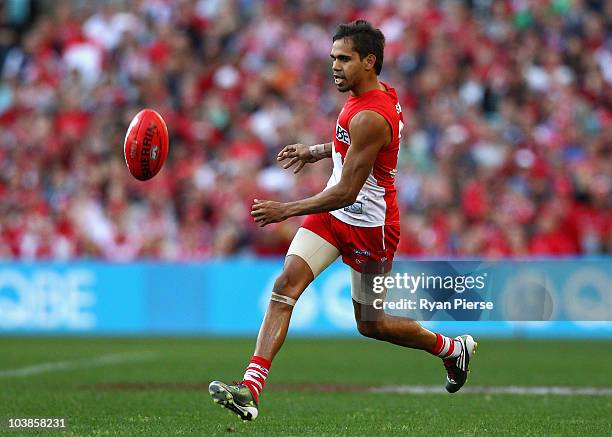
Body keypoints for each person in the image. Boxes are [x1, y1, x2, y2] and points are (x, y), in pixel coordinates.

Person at [209, 20, 477, 421]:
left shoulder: (373, 115)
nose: (334, 66)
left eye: (343, 59)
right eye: (333, 57)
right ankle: (250, 388)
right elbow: (347, 145)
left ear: (369, 62)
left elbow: (348, 190)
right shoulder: (369, 95)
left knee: (372, 325)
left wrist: (286, 208)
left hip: (371, 227)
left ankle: (451, 349)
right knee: (285, 286)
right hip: (332, 217)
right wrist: (315, 151)